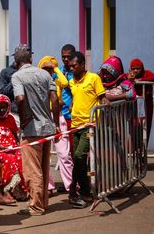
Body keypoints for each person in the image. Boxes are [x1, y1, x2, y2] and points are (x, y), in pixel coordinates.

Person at [11, 44, 61, 216]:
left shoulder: (17, 76)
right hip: (47, 127)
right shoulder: (45, 74)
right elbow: (55, 99)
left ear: (16, 62)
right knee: (44, 167)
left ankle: (36, 206)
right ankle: (42, 202)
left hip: (31, 129)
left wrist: (24, 120)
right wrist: (56, 123)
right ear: (31, 59)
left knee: (33, 170)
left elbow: (19, 98)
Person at [68, 51, 110, 208]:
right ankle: (85, 191)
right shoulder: (72, 81)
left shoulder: (94, 78)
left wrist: (105, 103)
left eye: (74, 65)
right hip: (75, 125)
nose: (71, 68)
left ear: (82, 64)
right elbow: (76, 97)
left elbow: (102, 97)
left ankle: (73, 191)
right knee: (79, 160)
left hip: (89, 125)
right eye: (70, 66)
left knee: (79, 156)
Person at [38, 56, 74, 195]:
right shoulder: (37, 81)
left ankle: (71, 187)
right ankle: (49, 186)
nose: (48, 71)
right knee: (44, 156)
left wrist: (56, 69)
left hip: (58, 118)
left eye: (50, 68)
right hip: (43, 118)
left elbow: (65, 82)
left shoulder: (57, 79)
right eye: (45, 68)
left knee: (64, 154)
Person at [0, 94, 25, 205]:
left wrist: (18, 145)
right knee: (10, 159)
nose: (2, 109)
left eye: (4, 107)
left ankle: (19, 191)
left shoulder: (11, 118)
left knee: (21, 157)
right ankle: (7, 190)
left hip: (12, 147)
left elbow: (14, 134)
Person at [128, 58, 154, 138]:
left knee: (146, 124)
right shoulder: (129, 75)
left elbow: (153, 77)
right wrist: (129, 79)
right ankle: (136, 147)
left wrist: (139, 80)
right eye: (133, 69)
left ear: (142, 68)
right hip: (134, 104)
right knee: (134, 125)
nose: (135, 71)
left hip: (147, 104)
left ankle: (144, 147)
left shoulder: (147, 73)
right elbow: (123, 78)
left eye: (138, 68)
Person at [0, 58, 19, 125]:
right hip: (14, 113)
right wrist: (15, 78)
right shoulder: (5, 72)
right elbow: (3, 92)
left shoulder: (29, 71)